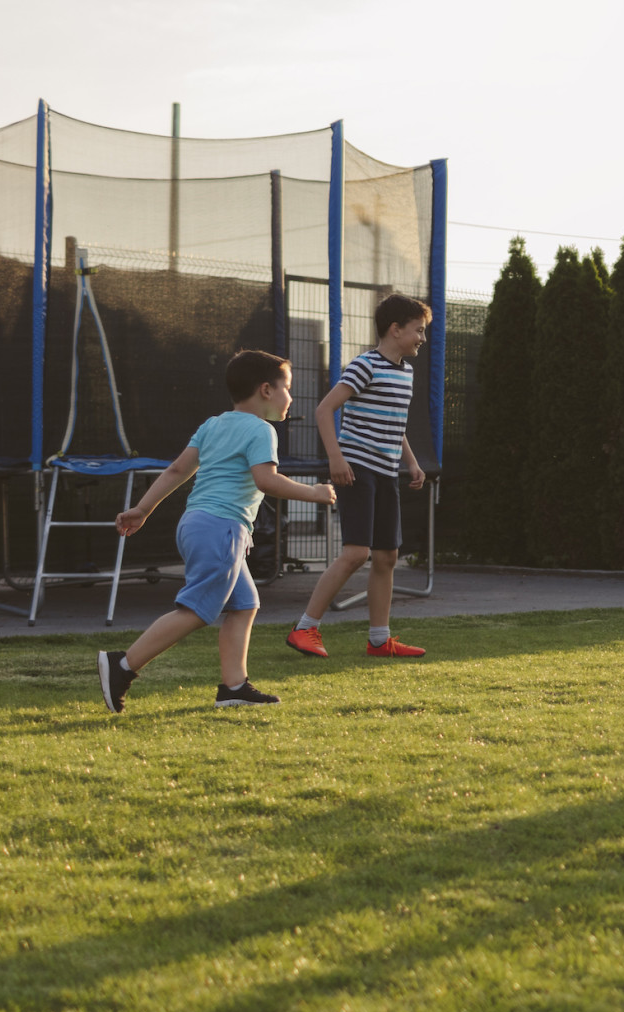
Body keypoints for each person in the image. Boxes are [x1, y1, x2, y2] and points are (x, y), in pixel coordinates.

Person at [98, 350, 339, 712]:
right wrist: (315, 492)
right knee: (196, 610)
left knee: (244, 604)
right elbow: (266, 480)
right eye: (287, 388)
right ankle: (122, 666)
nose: (291, 397)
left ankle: (234, 688)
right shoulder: (261, 429)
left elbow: (178, 470)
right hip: (221, 528)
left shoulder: (213, 424)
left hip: (196, 523)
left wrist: (142, 508)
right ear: (266, 390)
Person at [287, 295, 432, 660]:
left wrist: (411, 463)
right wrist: (337, 459)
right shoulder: (364, 365)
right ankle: (305, 628)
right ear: (395, 329)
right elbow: (324, 410)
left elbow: (394, 424)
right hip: (357, 469)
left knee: (387, 556)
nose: (422, 339)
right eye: (418, 331)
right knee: (356, 552)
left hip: (385, 473)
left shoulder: (405, 372)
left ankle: (380, 641)